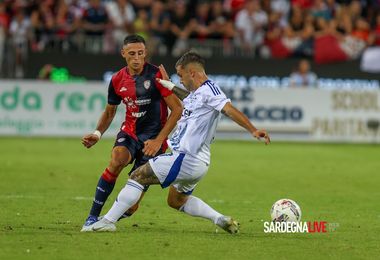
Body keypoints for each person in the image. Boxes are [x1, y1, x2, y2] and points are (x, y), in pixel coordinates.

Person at [85, 51, 270, 233]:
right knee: (176, 201)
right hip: (199, 163)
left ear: (192, 73)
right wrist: (170, 85)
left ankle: (107, 221)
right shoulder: (199, 92)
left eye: (181, 76)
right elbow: (189, 99)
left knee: (137, 176)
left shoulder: (211, 91)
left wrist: (252, 130)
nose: (180, 79)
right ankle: (219, 219)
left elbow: (229, 109)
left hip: (185, 157)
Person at [80, 34, 183, 231]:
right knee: (117, 160)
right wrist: (97, 134)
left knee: (133, 206)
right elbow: (110, 112)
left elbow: (177, 110)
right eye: (132, 54)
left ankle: (106, 221)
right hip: (131, 133)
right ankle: (92, 217)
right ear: (123, 54)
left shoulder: (157, 75)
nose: (137, 58)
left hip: (154, 141)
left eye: (141, 54)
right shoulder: (117, 79)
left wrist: (158, 140)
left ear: (146, 53)